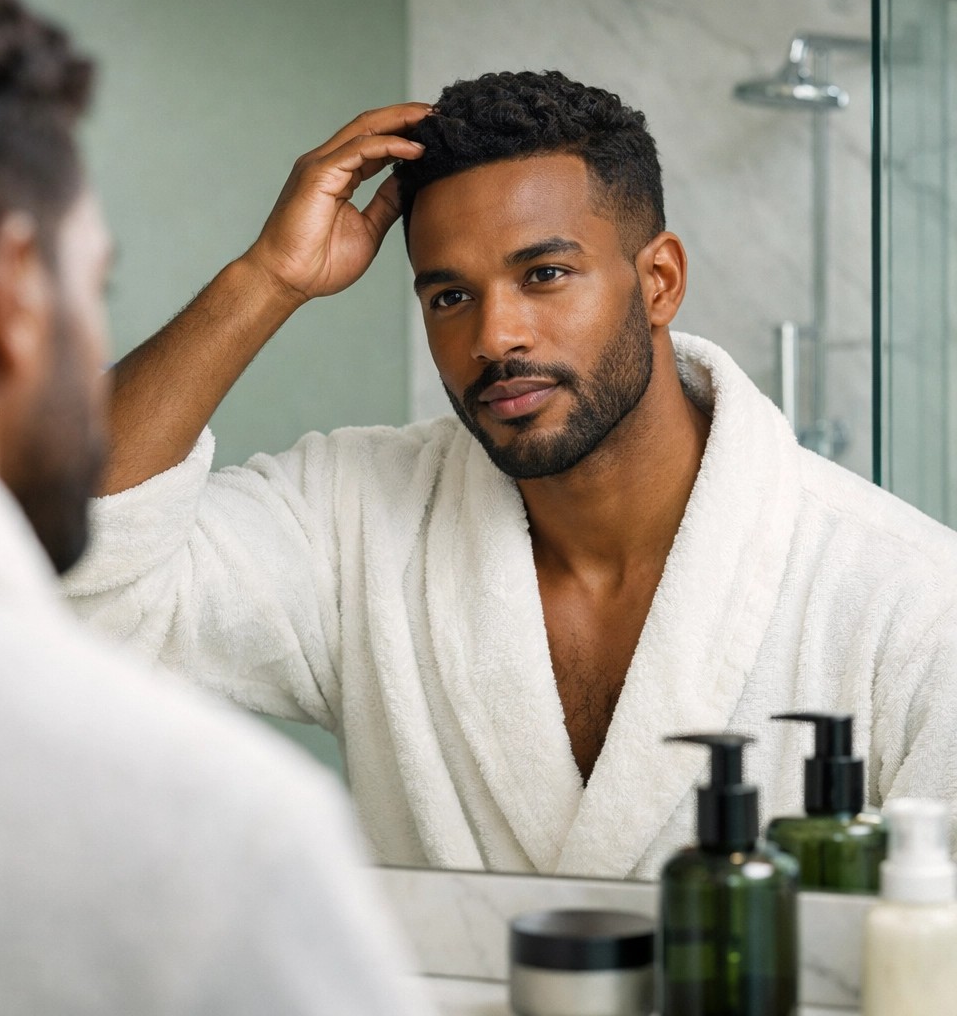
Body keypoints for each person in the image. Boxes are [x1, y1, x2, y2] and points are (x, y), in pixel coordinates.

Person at [64, 70, 957, 879]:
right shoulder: (360, 521)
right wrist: (268, 278)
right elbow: (80, 566)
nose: (495, 338)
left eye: (546, 274)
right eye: (449, 296)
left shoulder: (906, 600)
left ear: (659, 281)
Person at [0, 0, 439, 1012]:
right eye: (98, 287)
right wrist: (265, 279)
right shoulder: (215, 832)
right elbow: (117, 566)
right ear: (14, 288)